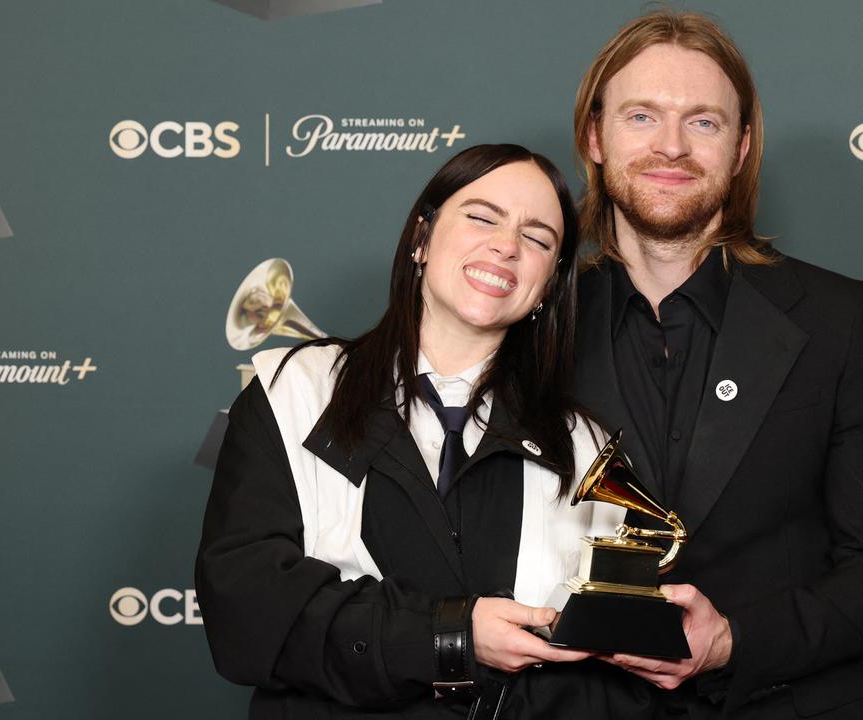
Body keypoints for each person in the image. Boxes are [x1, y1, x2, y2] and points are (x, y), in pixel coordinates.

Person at [570, 11, 863, 719]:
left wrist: (734, 640)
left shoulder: (846, 322)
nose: (671, 145)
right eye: (642, 116)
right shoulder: (534, 325)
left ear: (739, 149)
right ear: (595, 137)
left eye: (703, 122)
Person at [195, 144, 625, 719]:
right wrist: (449, 637)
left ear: (548, 284)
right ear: (422, 238)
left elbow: (606, 672)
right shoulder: (291, 390)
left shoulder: (585, 448)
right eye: (482, 217)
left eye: (538, 238)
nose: (507, 245)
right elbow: (245, 608)